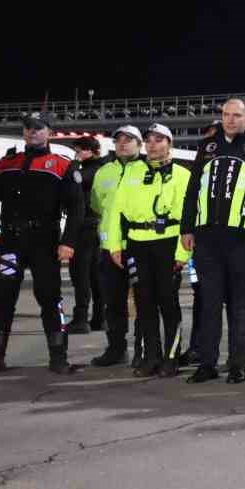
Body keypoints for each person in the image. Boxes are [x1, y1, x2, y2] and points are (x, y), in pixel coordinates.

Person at [0, 112, 84, 375]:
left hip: (45, 243)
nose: (32, 132)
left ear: (49, 132)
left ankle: (59, 357)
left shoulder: (62, 165)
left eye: (38, 128)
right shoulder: (7, 163)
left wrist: (68, 243)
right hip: (10, 242)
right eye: (28, 128)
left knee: (49, 297)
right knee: (3, 299)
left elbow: (77, 208)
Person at [180, 98, 245, 384]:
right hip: (207, 238)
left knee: (240, 304)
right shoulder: (207, 147)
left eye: (236, 115)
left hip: (241, 240)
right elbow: (193, 188)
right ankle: (207, 363)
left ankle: (237, 365)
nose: (230, 120)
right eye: (226, 115)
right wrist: (187, 228)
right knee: (209, 302)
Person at [101, 124, 191, 377]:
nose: (152, 144)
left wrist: (182, 254)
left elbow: (190, 217)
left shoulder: (183, 175)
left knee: (168, 302)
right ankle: (151, 357)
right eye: (149, 140)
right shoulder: (132, 171)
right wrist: (115, 245)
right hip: (137, 244)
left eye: (159, 140)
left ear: (169, 144)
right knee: (144, 302)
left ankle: (171, 357)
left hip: (168, 242)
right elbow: (115, 211)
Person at [88, 125, 144, 367]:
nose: (123, 143)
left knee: (145, 301)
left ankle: (144, 349)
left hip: (141, 245)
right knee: (113, 302)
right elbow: (98, 205)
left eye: (129, 139)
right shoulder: (103, 172)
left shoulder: (147, 169)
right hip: (110, 248)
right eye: (118, 139)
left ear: (139, 144)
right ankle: (116, 349)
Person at [67, 136, 104, 334]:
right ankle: (99, 318)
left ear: (92, 150)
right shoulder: (100, 167)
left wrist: (73, 165)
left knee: (81, 275)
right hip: (95, 227)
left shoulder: (94, 169)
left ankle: (81, 319)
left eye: (80, 150)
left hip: (86, 228)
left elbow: (78, 181)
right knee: (94, 276)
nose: (77, 154)